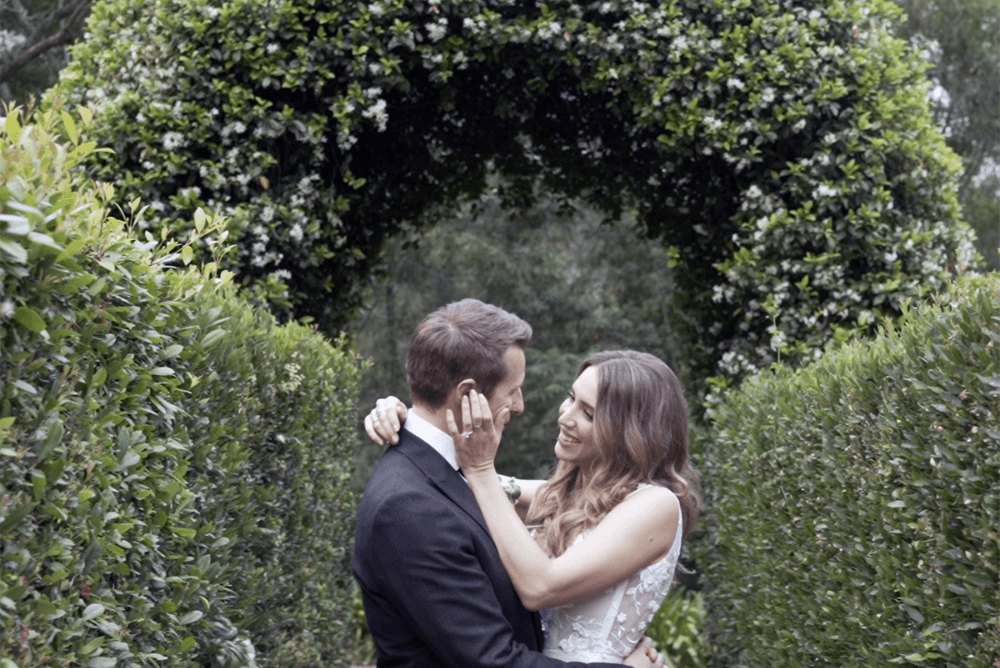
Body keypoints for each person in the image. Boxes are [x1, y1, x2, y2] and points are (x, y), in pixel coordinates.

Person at [353, 299, 663, 668]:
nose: (519, 406)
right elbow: (492, 661)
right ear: (468, 395)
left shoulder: (444, 474)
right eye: (512, 390)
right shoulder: (409, 507)